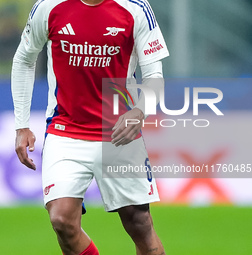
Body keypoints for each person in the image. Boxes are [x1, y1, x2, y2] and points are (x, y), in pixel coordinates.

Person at [11, 0, 169, 254]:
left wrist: (139, 112)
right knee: (61, 219)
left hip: (118, 134)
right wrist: (22, 125)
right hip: (65, 131)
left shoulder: (136, 8)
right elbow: (24, 59)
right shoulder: (49, 6)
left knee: (139, 225)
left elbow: (154, 76)